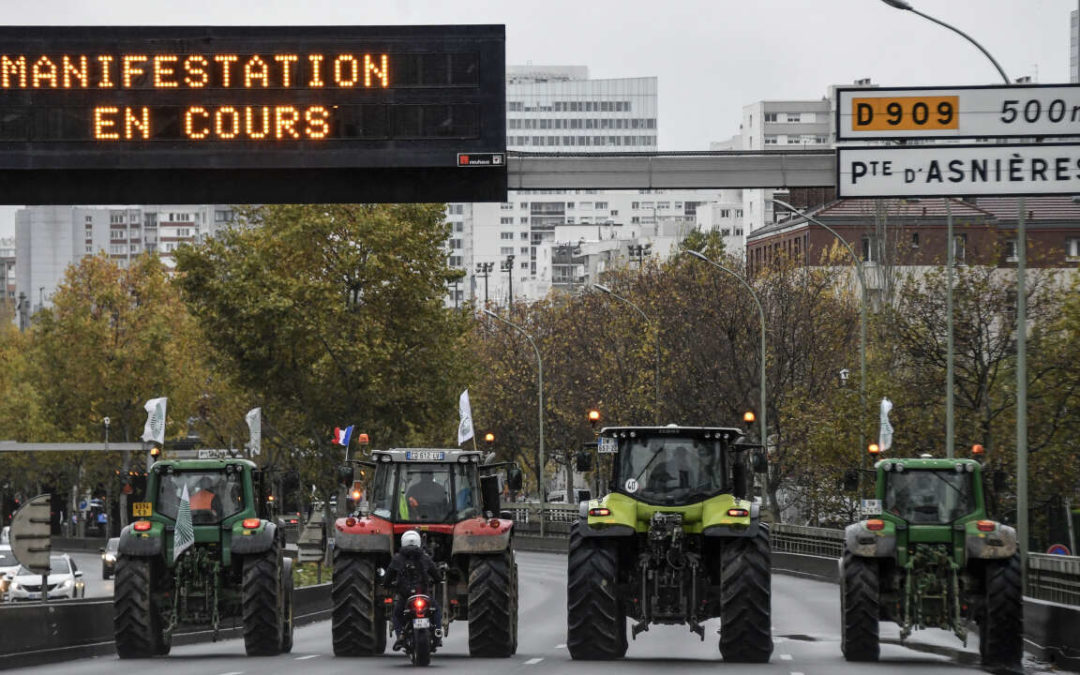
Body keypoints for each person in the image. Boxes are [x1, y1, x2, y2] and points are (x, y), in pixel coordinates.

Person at [387, 529, 443, 651]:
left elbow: (388, 577)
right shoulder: (425, 557)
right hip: (423, 594)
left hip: (406, 597)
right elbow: (437, 576)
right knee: (437, 610)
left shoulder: (397, 559)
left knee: (396, 615)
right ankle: (438, 631)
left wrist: (386, 584)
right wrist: (437, 580)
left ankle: (400, 635)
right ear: (419, 542)